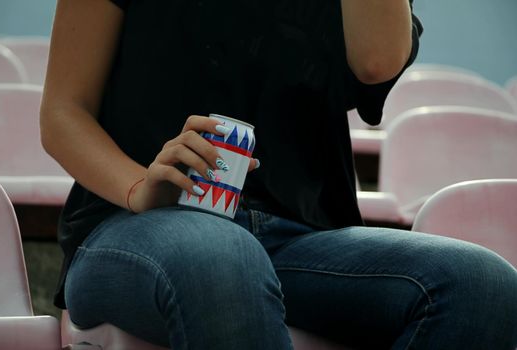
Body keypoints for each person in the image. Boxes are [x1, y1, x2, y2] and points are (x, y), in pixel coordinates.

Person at [40, 0, 517, 349]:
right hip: (134, 227)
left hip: (297, 238)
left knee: (480, 286)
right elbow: (63, 111)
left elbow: (376, 62)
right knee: (221, 258)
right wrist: (140, 187)